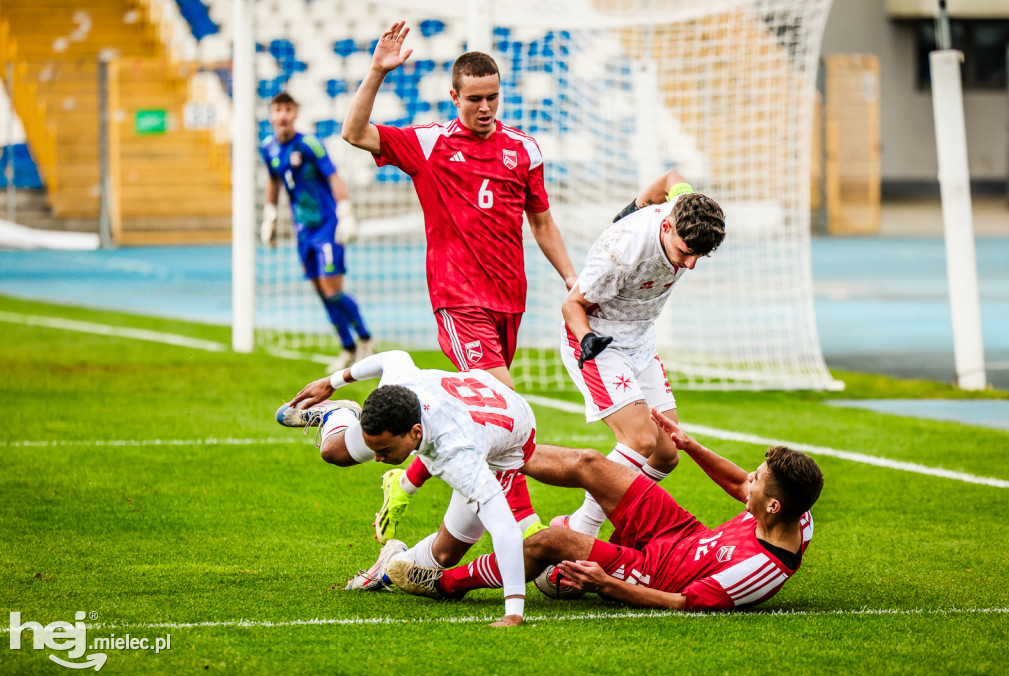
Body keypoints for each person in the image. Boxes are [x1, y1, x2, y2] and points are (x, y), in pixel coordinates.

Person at [341, 20, 577, 542]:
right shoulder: (429, 145)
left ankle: (405, 484)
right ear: (454, 97)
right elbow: (354, 134)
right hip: (458, 301)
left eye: (493, 97)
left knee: (482, 419)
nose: (486, 108)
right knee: (510, 409)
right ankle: (526, 525)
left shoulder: (524, 150)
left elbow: (541, 221)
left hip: (508, 303)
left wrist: (570, 278)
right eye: (475, 99)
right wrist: (377, 72)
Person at [385, 407, 823, 625]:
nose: (750, 479)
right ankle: (495, 452)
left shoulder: (760, 570)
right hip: (679, 532)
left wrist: (606, 584)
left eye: (759, 480)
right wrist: (691, 447)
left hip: (654, 574)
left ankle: (444, 584)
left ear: (773, 507)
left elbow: (684, 603)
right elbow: (737, 486)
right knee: (590, 464)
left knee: (548, 542)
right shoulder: (795, 516)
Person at [275, 349, 545, 627]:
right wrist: (332, 382)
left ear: (415, 433)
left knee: (446, 555)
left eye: (384, 449)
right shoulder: (400, 386)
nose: (377, 458)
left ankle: (390, 561)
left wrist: (513, 613)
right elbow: (393, 357)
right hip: (467, 401)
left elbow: (506, 530)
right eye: (374, 447)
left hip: (498, 448)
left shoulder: (458, 456)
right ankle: (341, 413)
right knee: (334, 452)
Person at [555, 171, 726, 537]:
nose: (690, 264)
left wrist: (633, 207)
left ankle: (619, 526)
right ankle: (577, 532)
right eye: (685, 252)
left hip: (640, 342)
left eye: (700, 256)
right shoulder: (621, 252)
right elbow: (572, 306)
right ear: (666, 226)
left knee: (667, 453)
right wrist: (587, 340)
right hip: (597, 339)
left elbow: (671, 178)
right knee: (641, 440)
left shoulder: (683, 206)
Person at [260, 91, 373, 372]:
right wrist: (270, 214)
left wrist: (345, 211)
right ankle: (347, 347)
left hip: (327, 226)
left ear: (295, 113)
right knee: (321, 291)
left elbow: (333, 176)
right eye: (278, 110)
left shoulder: (310, 144)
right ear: (271, 115)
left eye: (288, 109)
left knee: (332, 290)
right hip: (303, 231)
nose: (283, 115)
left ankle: (366, 340)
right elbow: (274, 181)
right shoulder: (268, 148)